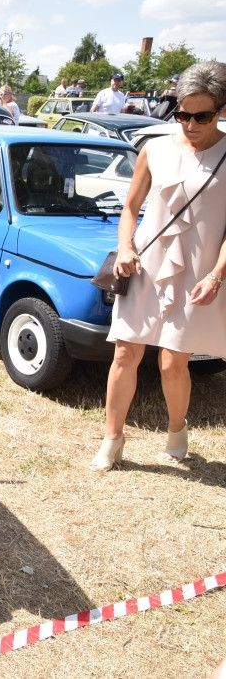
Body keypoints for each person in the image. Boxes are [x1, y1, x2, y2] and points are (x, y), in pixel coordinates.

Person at [90, 61, 226, 472]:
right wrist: (126, 247)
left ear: (221, 110)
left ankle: (177, 428)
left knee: (172, 362)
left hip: (200, 270)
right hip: (145, 265)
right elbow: (130, 208)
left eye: (200, 116)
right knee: (125, 354)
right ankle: (112, 440)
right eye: (182, 114)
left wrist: (218, 274)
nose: (189, 123)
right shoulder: (155, 148)